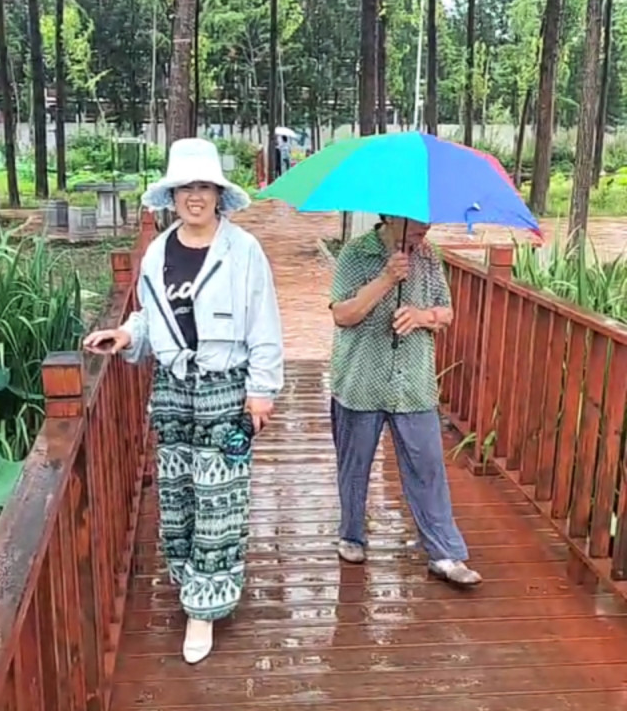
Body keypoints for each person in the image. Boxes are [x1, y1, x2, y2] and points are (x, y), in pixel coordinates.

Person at [84, 138, 284, 663]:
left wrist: (261, 392)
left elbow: (265, 323)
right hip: (172, 388)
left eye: (204, 187)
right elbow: (150, 316)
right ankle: (187, 579)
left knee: (219, 498)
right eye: (185, 188)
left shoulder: (243, 250)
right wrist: (126, 335)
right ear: (171, 196)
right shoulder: (158, 252)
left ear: (219, 194)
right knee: (176, 494)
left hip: (224, 387)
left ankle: (205, 607)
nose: (195, 197)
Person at [329, 214, 481, 587]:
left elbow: (446, 312)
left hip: (413, 381)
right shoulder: (356, 253)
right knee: (354, 466)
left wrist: (422, 316)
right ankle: (351, 534)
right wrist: (386, 279)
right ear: (390, 214)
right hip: (361, 379)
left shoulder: (428, 256)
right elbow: (343, 315)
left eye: (428, 218)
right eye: (416, 218)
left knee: (427, 466)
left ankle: (444, 553)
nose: (424, 225)